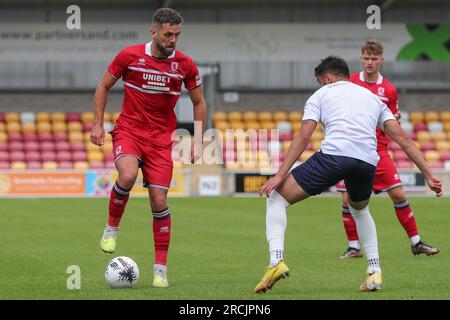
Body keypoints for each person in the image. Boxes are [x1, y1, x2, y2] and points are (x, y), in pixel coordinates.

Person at [254, 56, 443, 294]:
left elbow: (304, 136)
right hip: (367, 161)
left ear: (329, 78)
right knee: (360, 209)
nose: (321, 86)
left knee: (277, 198)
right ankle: (374, 272)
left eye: (321, 81)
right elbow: (403, 140)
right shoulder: (373, 98)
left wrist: (280, 175)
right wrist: (428, 174)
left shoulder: (321, 95)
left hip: (334, 156)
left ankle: (275, 262)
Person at [90, 7, 207, 288]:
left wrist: (199, 139)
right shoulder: (129, 56)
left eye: (177, 35)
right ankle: (111, 228)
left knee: (159, 201)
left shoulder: (186, 65)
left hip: (160, 141)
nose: (173, 40)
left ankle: (160, 270)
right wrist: (97, 124)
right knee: (127, 176)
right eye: (168, 34)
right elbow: (103, 86)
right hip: (130, 131)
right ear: (153, 32)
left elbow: (199, 102)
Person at [337, 39, 439, 259]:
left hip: (378, 150)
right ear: (361, 58)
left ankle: (416, 242)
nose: (369, 62)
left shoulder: (390, 89)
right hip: (351, 147)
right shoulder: (351, 82)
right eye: (366, 58)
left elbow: (392, 120)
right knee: (346, 199)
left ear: (381, 59)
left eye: (374, 58)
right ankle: (354, 247)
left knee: (398, 194)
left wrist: (395, 118)